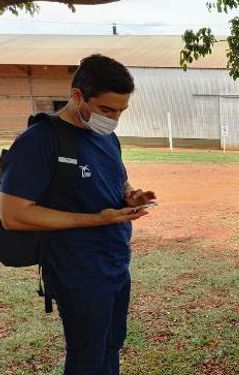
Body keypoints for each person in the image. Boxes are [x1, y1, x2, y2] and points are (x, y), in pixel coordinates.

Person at [0, 54, 156, 375]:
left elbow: (118, 177)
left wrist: (131, 195)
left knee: (111, 347)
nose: (113, 119)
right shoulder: (39, 141)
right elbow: (13, 215)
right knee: (86, 358)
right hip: (77, 273)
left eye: (121, 111)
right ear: (77, 96)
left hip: (115, 266)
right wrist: (97, 219)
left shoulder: (106, 136)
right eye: (106, 110)